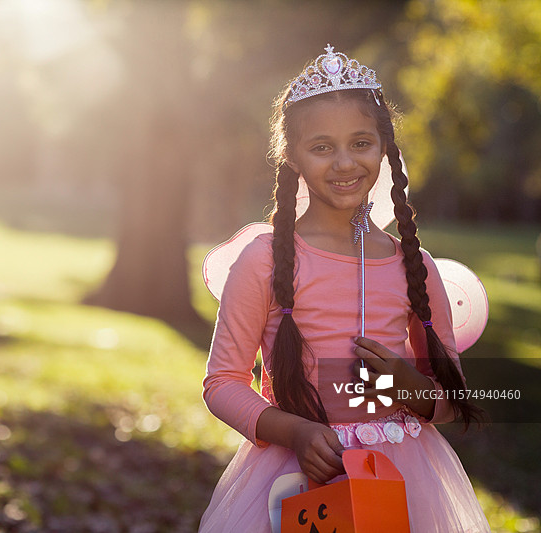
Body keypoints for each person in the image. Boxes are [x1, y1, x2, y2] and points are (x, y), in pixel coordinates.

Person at [198, 45, 489, 532]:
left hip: (401, 473)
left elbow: (449, 400)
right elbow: (222, 383)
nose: (344, 163)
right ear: (291, 156)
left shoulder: (413, 266)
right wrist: (295, 432)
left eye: (360, 143)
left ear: (384, 148)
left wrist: (407, 384)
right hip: (295, 473)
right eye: (322, 147)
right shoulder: (264, 260)